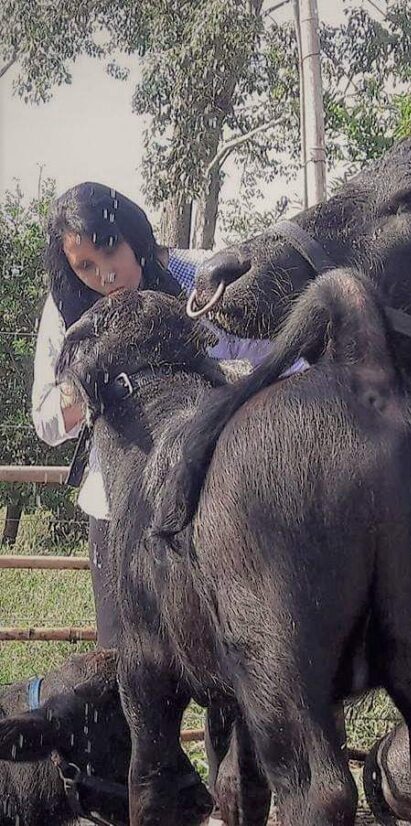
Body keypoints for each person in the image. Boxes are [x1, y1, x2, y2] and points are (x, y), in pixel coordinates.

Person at [31, 182, 286, 823]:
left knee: (233, 676)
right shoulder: (68, 312)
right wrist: (88, 382)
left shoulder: (198, 277)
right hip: (119, 520)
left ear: (135, 233)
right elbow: (46, 420)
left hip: (217, 509)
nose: (103, 274)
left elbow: (278, 360)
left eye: (109, 251)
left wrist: (211, 375)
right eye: (84, 266)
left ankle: (237, 809)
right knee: (139, 687)